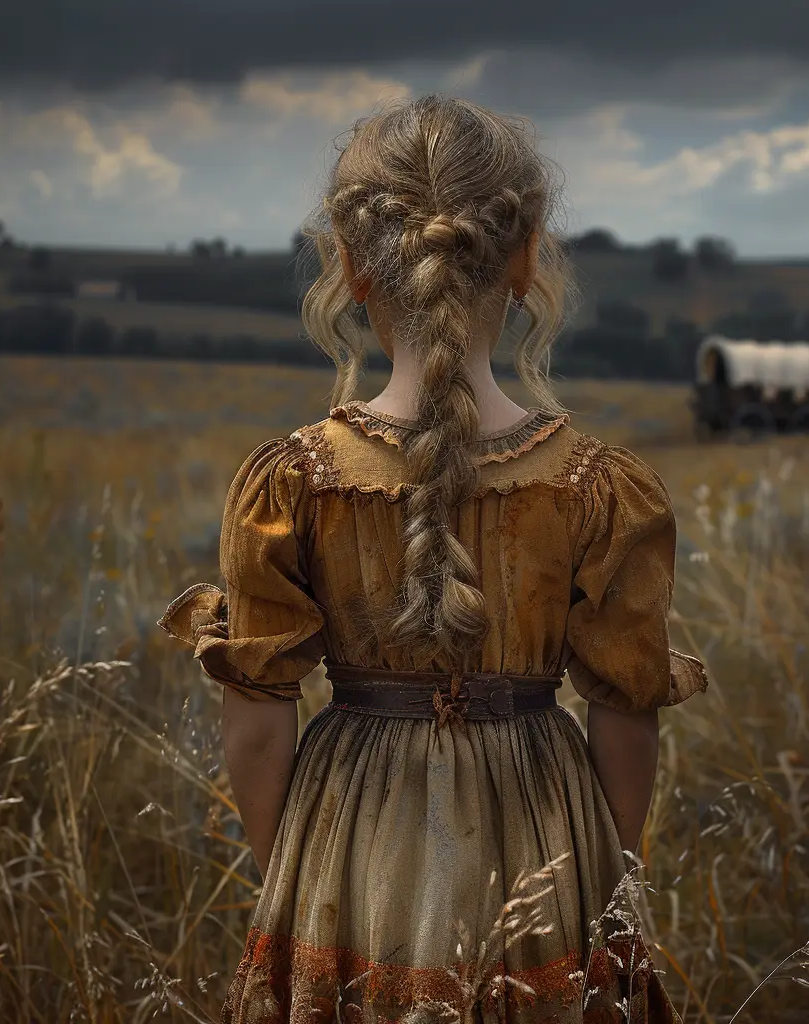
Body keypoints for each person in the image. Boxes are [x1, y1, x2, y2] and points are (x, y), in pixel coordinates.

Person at [159, 94, 708, 1023]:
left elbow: (257, 729)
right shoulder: (600, 486)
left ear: (350, 261)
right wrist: (601, 900)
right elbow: (625, 722)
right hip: (548, 838)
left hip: (350, 837)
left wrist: (296, 881)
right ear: (527, 254)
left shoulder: (289, 481)